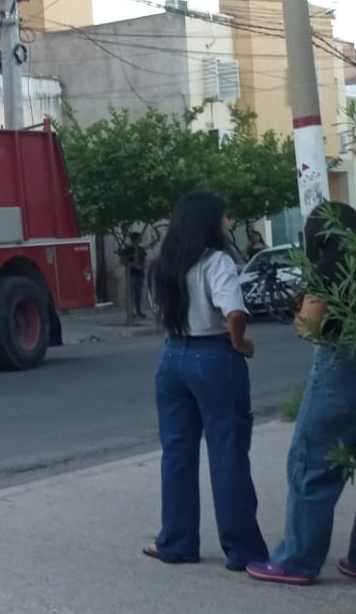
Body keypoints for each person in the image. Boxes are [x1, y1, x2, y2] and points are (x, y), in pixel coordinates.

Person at [143, 190, 269, 572]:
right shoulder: (218, 262)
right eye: (224, 217)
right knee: (227, 452)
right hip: (214, 356)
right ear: (209, 223)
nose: (227, 223)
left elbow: (159, 314)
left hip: (172, 358)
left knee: (178, 454)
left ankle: (176, 541)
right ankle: (243, 550)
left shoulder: (160, 265)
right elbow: (233, 312)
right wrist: (240, 342)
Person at [246, 202, 356, 585]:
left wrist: (300, 310)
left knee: (312, 463)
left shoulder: (331, 267)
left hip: (340, 368)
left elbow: (310, 328)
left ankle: (298, 559)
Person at [121, 233, 150, 320]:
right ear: (134, 239)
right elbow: (123, 261)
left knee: (138, 294)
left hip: (140, 274)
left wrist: (142, 266)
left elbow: (144, 260)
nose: (140, 240)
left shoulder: (141, 249)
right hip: (132, 274)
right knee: (131, 294)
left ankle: (138, 311)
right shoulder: (128, 249)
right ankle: (131, 312)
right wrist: (132, 265)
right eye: (139, 238)